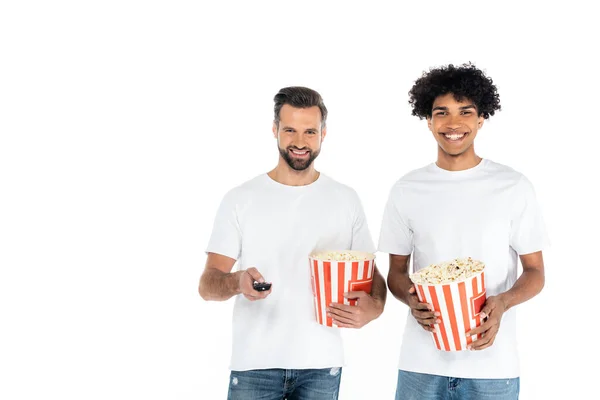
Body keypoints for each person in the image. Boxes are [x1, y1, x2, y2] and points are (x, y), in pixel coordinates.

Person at [199, 86, 387, 400]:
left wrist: (376, 307)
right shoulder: (240, 199)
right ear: (275, 130)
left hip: (322, 365)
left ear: (323, 134)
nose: (300, 142)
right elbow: (208, 284)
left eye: (310, 132)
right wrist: (237, 282)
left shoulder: (345, 199)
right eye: (290, 130)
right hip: (254, 365)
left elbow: (372, 274)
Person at [378, 63, 549, 400]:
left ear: (481, 118)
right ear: (428, 120)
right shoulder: (406, 189)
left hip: (492, 370)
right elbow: (396, 273)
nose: (453, 124)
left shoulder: (513, 186)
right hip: (420, 367)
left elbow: (535, 271)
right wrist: (411, 298)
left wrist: (502, 303)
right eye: (441, 112)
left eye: (465, 112)